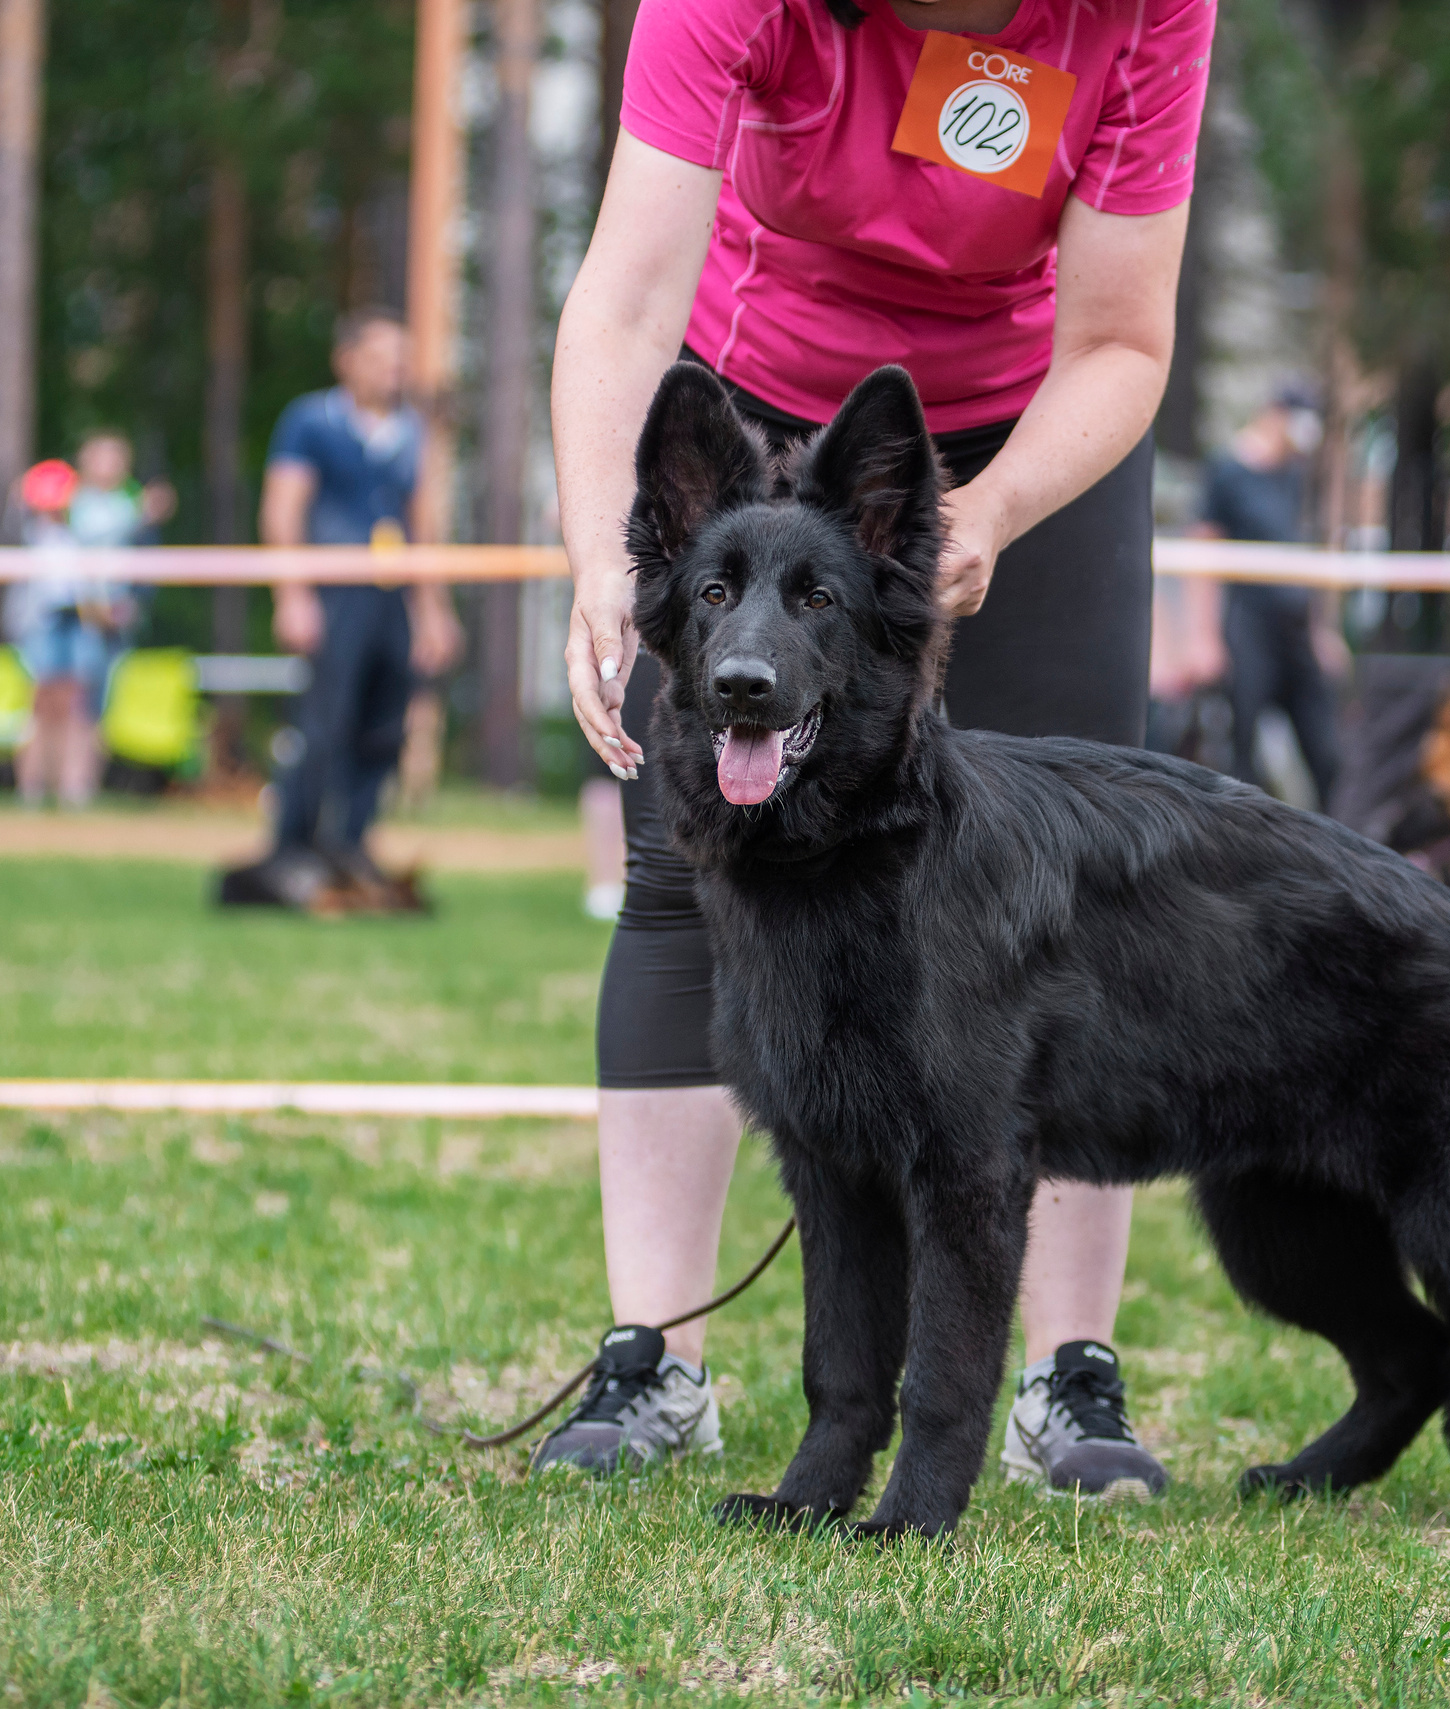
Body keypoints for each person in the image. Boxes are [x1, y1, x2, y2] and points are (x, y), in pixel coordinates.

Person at [540, 0, 1211, 1497]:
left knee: (1065, 883)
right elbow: (629, 298)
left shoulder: (1144, 11)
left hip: (1029, 423)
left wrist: (991, 510)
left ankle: (1070, 1373)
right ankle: (655, 1355)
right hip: (749, 387)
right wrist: (598, 551)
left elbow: (1122, 335)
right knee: (682, 865)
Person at [220, 309, 460, 911]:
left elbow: (421, 522)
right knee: (323, 724)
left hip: (392, 594)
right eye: (380, 358)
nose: (393, 370)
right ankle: (292, 845)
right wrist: (293, 595)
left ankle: (352, 843)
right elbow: (282, 510)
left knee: (385, 726)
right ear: (346, 361)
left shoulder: (411, 431)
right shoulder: (310, 422)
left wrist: (433, 609)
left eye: (400, 359)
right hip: (333, 591)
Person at [1192, 384, 1345, 805]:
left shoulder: (1295, 475)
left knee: (1327, 752)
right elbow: (1201, 553)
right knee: (1240, 754)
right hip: (1247, 625)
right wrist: (1203, 638)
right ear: (1274, 414)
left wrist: (1321, 631)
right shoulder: (1227, 470)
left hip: (1295, 627)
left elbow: (1304, 558)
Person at [6, 435, 167, 809]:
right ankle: (32, 789)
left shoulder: (121, 507)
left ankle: (75, 790)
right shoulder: (62, 513)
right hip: (49, 617)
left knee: (84, 706)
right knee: (41, 703)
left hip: (93, 618)